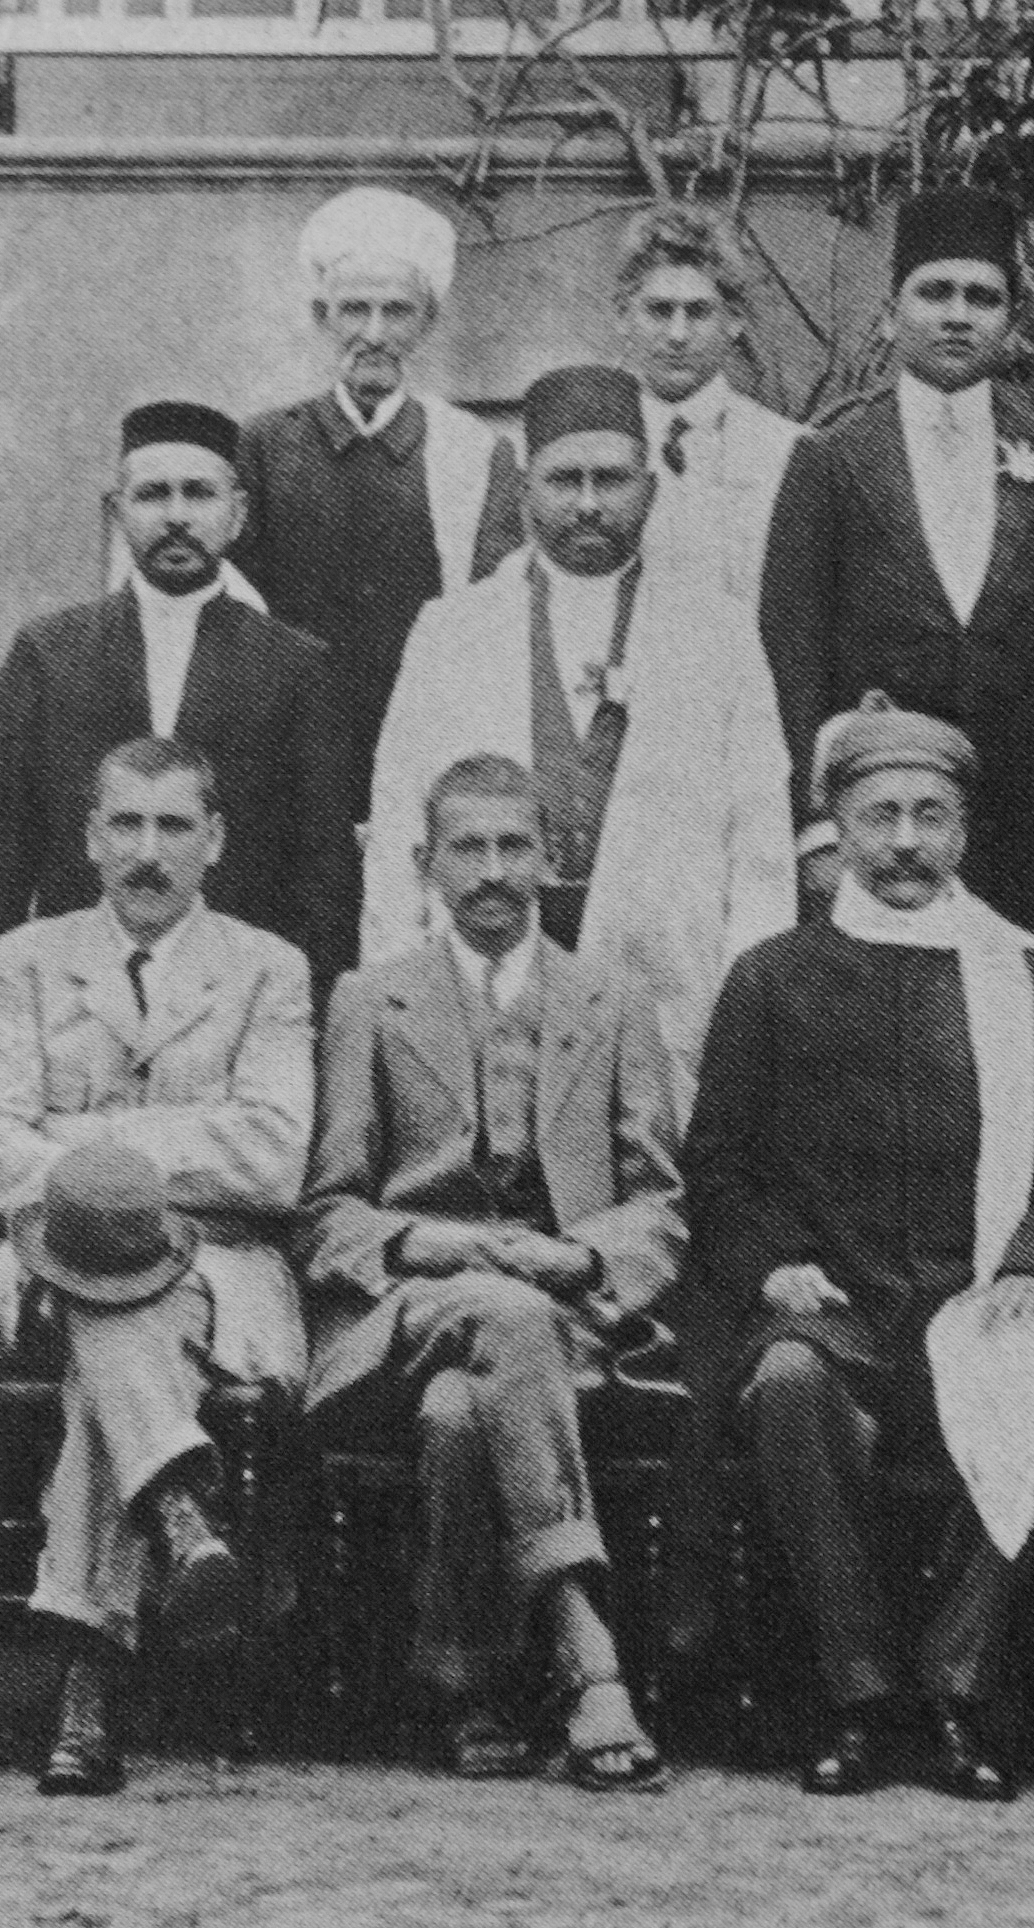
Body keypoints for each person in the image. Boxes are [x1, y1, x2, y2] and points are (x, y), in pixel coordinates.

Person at [685, 696, 1034, 1803]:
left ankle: (956, 1691)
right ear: (835, 828)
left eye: (931, 815)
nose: (908, 842)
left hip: (977, 1295)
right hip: (835, 1309)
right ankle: (858, 1694)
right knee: (786, 1383)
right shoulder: (772, 978)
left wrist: (1031, 1266)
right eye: (881, 816)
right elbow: (719, 1167)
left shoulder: (1033, 976)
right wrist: (772, 1264)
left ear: (965, 828)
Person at [303, 754, 686, 1790]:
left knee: (458, 1414)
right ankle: (587, 1655)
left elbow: (660, 1202)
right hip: (410, 1307)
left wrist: (581, 1255)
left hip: (565, 1320)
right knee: (491, 1318)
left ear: (551, 860)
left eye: (514, 845)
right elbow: (323, 1209)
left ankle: (471, 1690)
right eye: (466, 848)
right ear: (427, 865)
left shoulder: (610, 1001)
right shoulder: (368, 1001)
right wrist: (416, 1244)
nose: (491, 871)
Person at [0, 736, 315, 1796]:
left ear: (215, 840)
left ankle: (87, 1676)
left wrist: (89, 1153)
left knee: (119, 1318)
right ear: (88, 839)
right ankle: (173, 1512)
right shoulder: (28, 960)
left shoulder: (268, 968)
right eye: (126, 825)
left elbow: (270, 1158)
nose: (148, 852)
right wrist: (173, 1147)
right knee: (108, 1299)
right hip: (34, 1258)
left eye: (172, 826)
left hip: (222, 1269)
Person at [364, 365, 795, 1092]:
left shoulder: (717, 631)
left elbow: (760, 847)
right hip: (485, 978)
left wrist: (749, 1020)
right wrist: (397, 1000)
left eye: (612, 480)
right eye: (565, 481)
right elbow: (398, 829)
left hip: (666, 989)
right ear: (527, 488)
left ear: (650, 488)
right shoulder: (452, 630)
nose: (589, 504)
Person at [759, 188, 1034, 967]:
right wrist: (815, 826)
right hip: (886, 828)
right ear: (893, 309)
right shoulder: (831, 460)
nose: (958, 315)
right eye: (935, 293)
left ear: (1011, 318)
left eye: (983, 297)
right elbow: (790, 658)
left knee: (1033, 1036)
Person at [0, 401, 352, 1009]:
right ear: (116, 512)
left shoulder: (297, 665)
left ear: (237, 513)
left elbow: (323, 873)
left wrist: (311, 1026)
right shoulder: (49, 651)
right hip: (76, 1000)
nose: (176, 517)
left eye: (198, 494)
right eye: (151, 495)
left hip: (236, 1003)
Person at [234, 185, 524, 862]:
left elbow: (493, 618)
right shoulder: (265, 445)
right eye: (354, 309)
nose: (373, 332)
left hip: (427, 743)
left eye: (396, 311)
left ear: (425, 324)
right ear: (322, 317)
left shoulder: (473, 453)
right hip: (290, 754)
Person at [611, 204, 804, 615]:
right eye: (659, 310)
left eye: (698, 312)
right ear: (623, 317)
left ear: (734, 321)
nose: (677, 335)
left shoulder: (790, 452)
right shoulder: (595, 447)